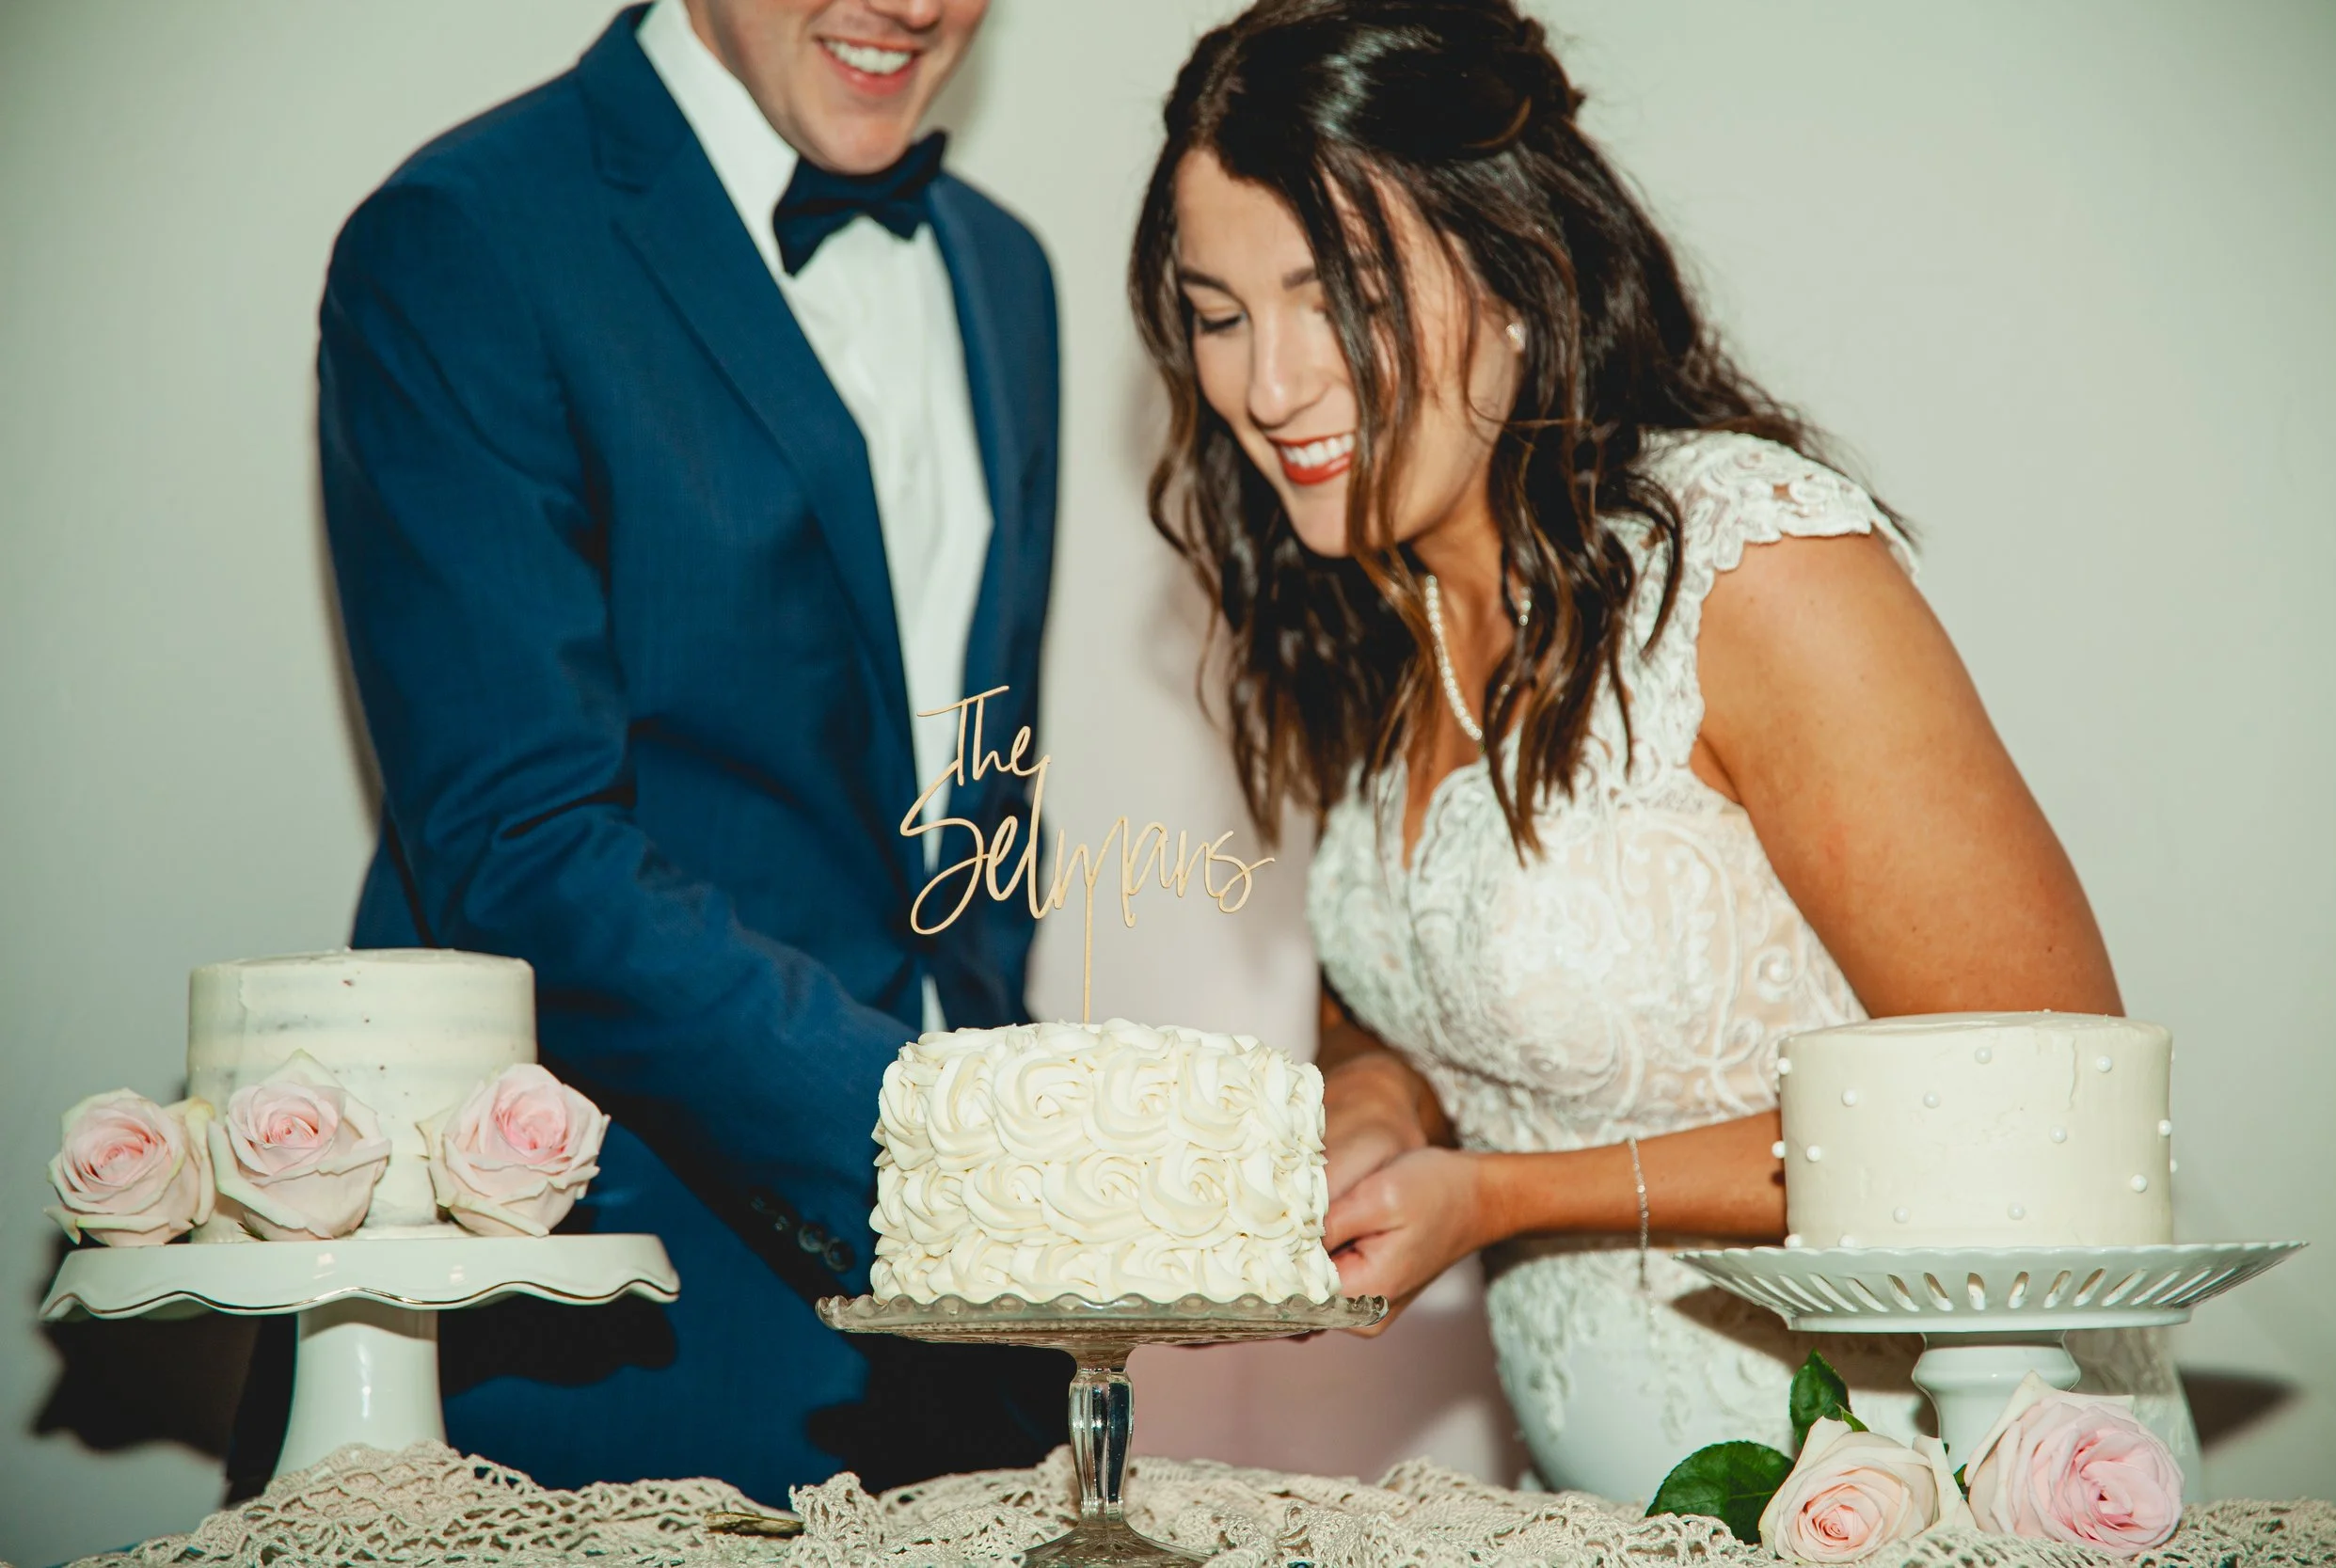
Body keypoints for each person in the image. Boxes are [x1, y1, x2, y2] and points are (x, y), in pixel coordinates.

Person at [1131, 0, 2194, 1504]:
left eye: (1341, 295)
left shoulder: (1751, 568)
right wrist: (1377, 1103)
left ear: (1512, 267)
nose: (1272, 384)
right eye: (1220, 314)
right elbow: (1404, 1012)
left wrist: (1498, 1195)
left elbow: (2044, 1102)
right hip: (1603, 1511)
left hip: (1932, 1478)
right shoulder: (1378, 608)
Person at [302, 0, 1064, 1499]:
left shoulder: (1007, 270)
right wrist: (933, 1142)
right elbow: (519, 850)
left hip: (984, 1352)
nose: (912, 5)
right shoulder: (465, 238)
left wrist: (1049, 1186)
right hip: (622, 1319)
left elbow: (978, 792)